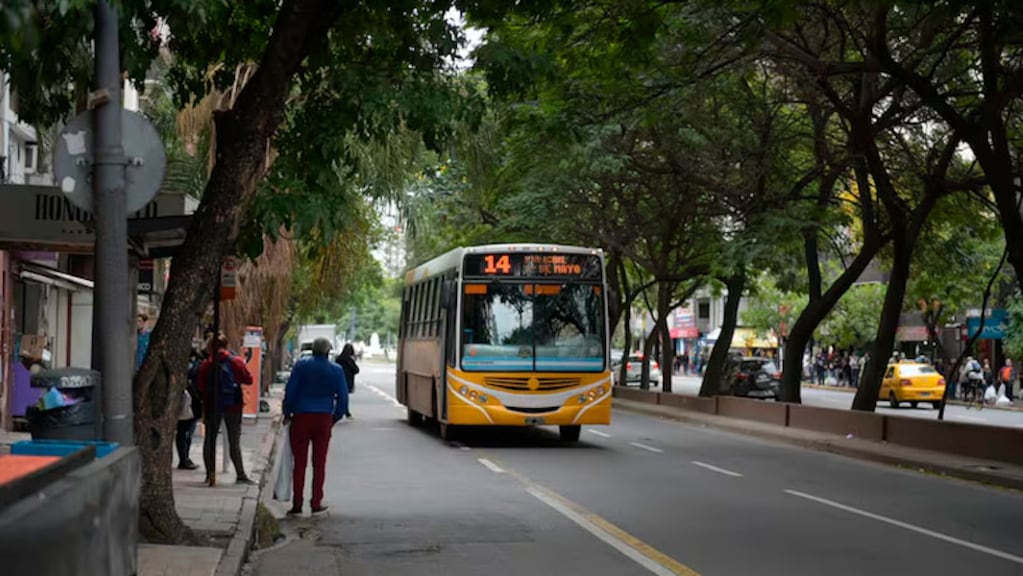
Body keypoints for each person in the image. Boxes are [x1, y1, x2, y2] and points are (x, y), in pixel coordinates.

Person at [284, 337, 348, 516]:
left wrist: (287, 412)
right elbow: (343, 397)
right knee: (319, 463)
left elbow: (291, 391)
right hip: (323, 418)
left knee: (299, 463)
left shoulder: (301, 366)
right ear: (328, 351)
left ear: (313, 350)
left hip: (301, 417)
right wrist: (334, 417)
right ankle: (316, 502)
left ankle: (297, 504)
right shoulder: (336, 370)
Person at [198, 332, 256, 485]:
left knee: (209, 440)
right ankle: (240, 474)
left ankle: (210, 474)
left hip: (212, 405)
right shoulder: (235, 361)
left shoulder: (206, 364)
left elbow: (201, 386)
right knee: (234, 441)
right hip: (233, 405)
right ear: (226, 345)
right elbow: (249, 379)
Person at [176, 349, 204, 470]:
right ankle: (184, 458)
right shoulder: (193, 367)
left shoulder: (189, 367)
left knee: (184, 432)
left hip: (189, 404)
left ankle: (184, 458)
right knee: (185, 433)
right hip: (190, 404)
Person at [335, 343, 359, 419]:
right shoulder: (349, 360)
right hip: (347, 380)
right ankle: (345, 413)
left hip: (338, 380)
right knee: (344, 397)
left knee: (340, 396)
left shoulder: (338, 359)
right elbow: (356, 370)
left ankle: (342, 411)